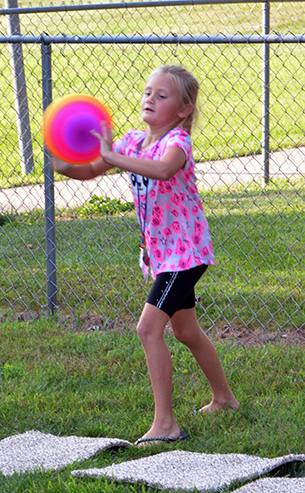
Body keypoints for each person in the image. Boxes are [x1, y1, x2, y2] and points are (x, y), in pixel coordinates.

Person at [52, 64, 239, 446]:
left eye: (162, 95)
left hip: (185, 255)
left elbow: (164, 171)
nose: (150, 99)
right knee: (185, 330)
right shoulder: (131, 141)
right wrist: (61, 162)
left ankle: (165, 425)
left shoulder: (177, 144)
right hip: (162, 257)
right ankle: (225, 399)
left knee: (148, 328)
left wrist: (112, 156)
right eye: (147, 92)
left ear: (184, 110)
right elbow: (90, 170)